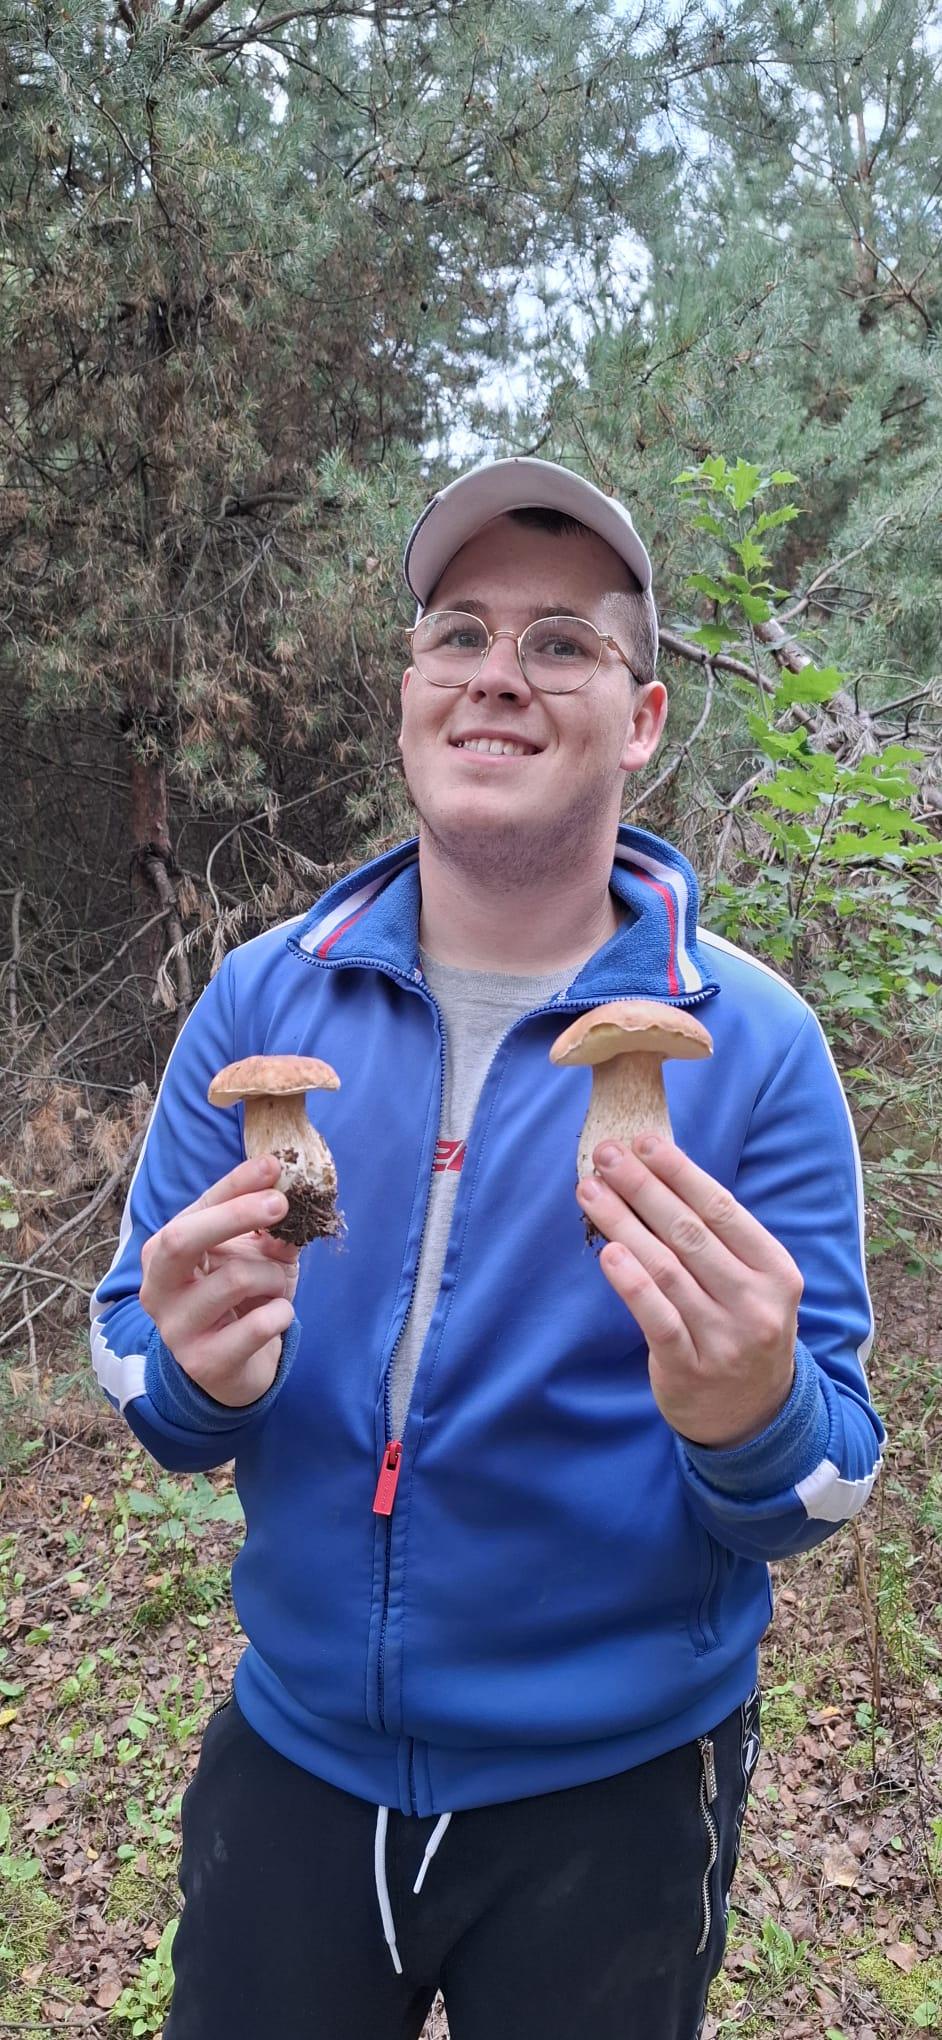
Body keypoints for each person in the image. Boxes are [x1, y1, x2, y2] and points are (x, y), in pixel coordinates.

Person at [90, 456, 886, 2040]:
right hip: (297, 1761)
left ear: (640, 719)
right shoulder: (262, 999)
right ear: (408, 695)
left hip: (618, 1790)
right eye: (457, 633)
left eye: (560, 642)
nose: (496, 676)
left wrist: (749, 1413)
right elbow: (129, 1354)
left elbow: (829, 1478)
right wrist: (190, 1380)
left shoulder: (755, 1043)